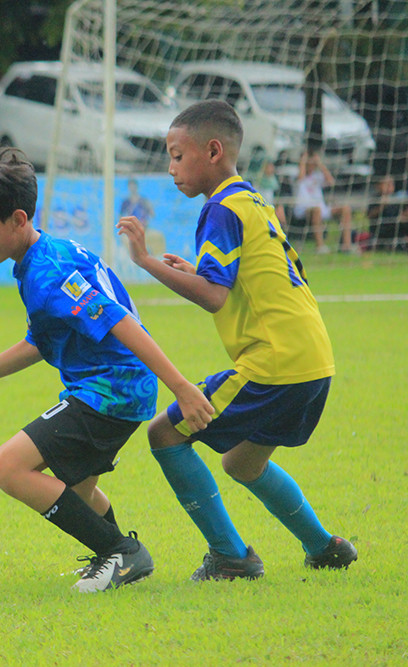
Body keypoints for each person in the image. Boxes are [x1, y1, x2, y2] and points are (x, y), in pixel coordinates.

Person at [0, 147, 214, 593]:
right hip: (110, 388)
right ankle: (113, 557)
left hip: (111, 391)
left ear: (18, 219)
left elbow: (120, 320)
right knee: (77, 492)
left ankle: (121, 554)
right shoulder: (41, 260)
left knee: (8, 466)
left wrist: (179, 386)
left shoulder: (49, 271)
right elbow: (40, 343)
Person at [117, 99, 358, 582]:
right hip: (314, 359)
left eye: (176, 155)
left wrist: (144, 261)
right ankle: (325, 547)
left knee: (165, 434)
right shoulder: (250, 200)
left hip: (274, 362)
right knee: (243, 462)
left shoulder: (219, 209)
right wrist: (192, 270)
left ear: (212, 151)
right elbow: (245, 279)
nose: (170, 169)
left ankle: (231, 557)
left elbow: (212, 296)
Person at [293, 149, 356, 254]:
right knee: (316, 210)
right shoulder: (296, 174)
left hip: (321, 208)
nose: (312, 165)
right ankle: (320, 246)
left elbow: (331, 181)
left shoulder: (317, 176)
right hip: (303, 209)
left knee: (345, 208)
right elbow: (300, 179)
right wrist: (303, 161)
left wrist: (320, 164)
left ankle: (346, 246)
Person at [365, 175, 408, 251]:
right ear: (379, 186)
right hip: (381, 228)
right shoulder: (376, 198)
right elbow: (369, 215)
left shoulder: (397, 199)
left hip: (396, 226)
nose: (390, 186)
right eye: (387, 184)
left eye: (391, 184)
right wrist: (381, 206)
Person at [246, 155, 287, 230]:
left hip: (270, 206)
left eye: (272, 166)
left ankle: (283, 229)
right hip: (258, 207)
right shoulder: (257, 180)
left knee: (280, 208)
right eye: (269, 166)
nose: (272, 168)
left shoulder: (273, 180)